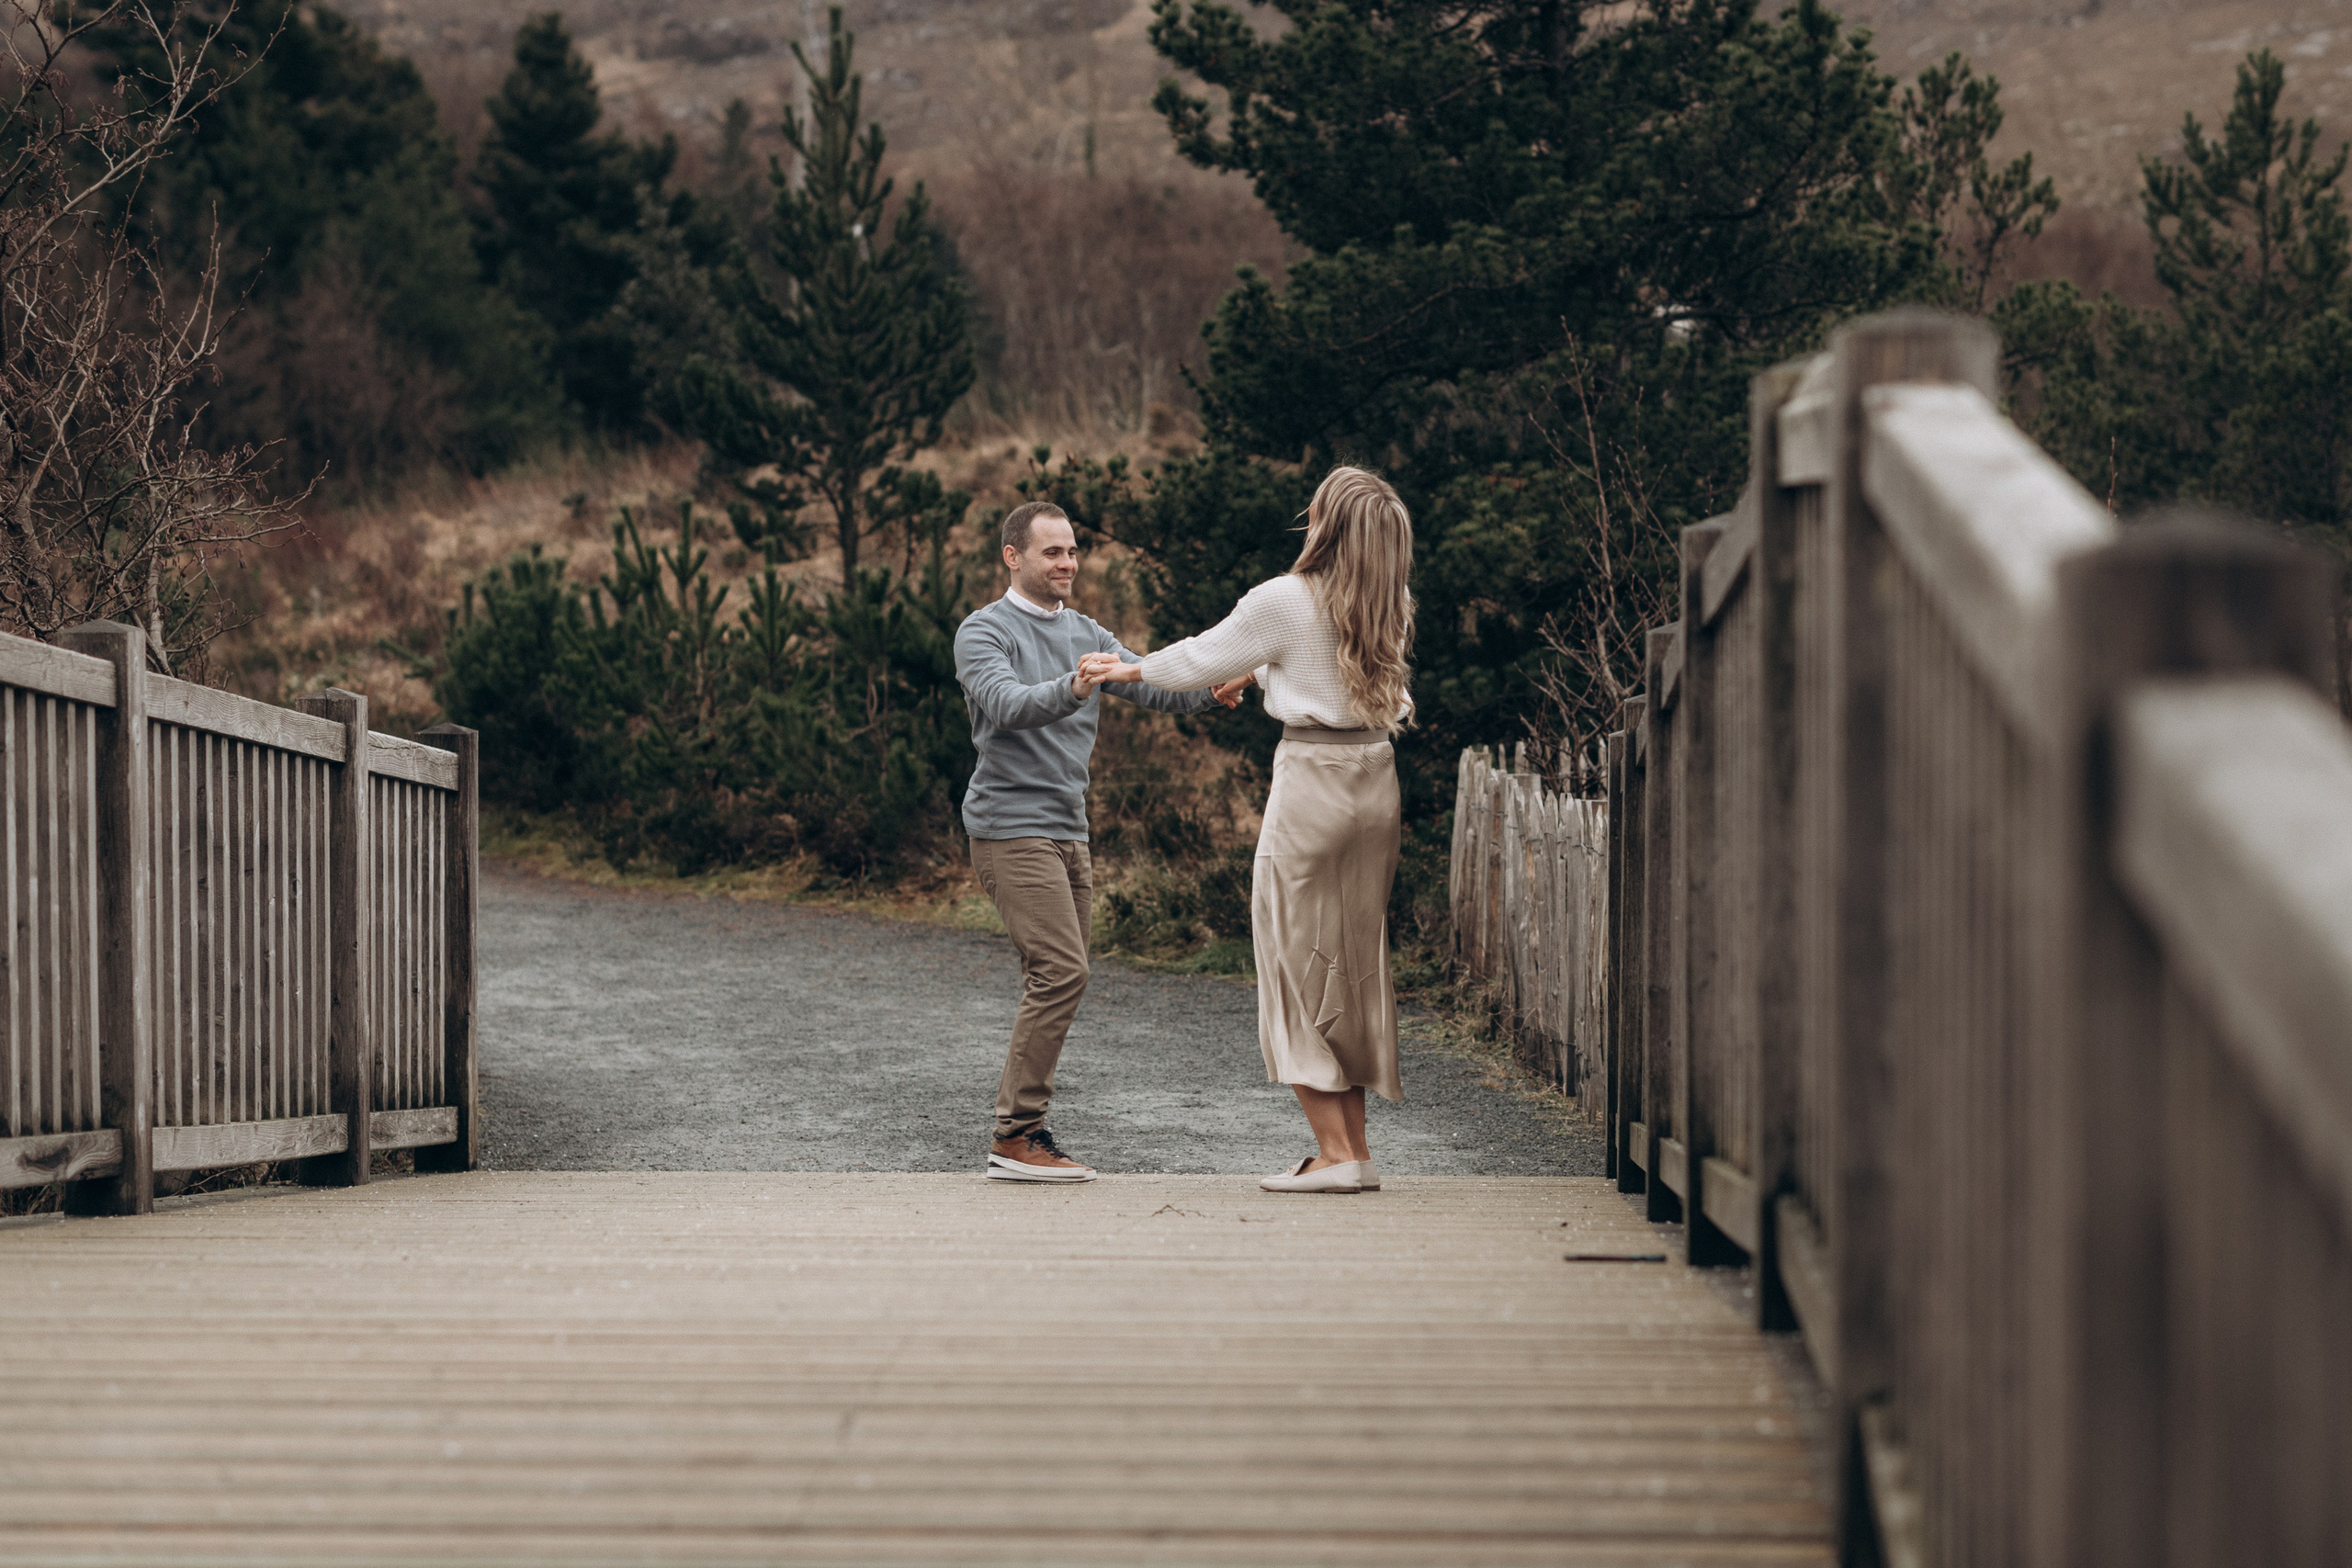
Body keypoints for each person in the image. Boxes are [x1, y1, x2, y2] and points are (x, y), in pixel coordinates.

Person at [1084, 466, 1413, 1195]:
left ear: (1327, 522)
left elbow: (1201, 654)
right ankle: (1353, 1150)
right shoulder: (1386, 599)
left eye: (1317, 504)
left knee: (1293, 956)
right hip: (1375, 781)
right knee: (1351, 959)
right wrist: (1262, 672)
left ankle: (1332, 1154)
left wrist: (1129, 669)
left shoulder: (1285, 597)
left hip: (1313, 785)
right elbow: (1331, 671)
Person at [955, 501, 1245, 1183]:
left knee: (1055, 977)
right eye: (1052, 552)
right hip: (1009, 827)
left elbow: (1153, 683)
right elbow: (1008, 705)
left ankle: (1022, 1133)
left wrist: (1210, 690)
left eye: (1073, 551)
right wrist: (1076, 683)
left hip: (1068, 829)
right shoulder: (983, 632)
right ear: (1013, 558)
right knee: (1063, 971)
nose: (1067, 563)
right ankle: (1016, 1133)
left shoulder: (1087, 630)